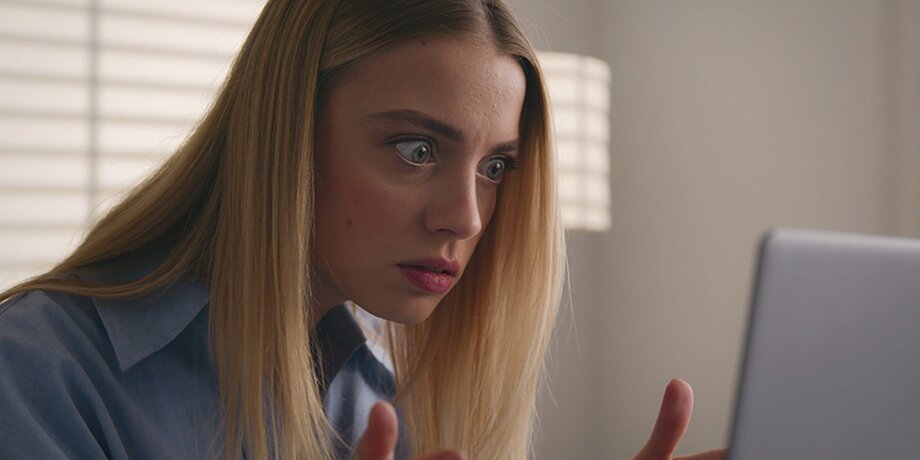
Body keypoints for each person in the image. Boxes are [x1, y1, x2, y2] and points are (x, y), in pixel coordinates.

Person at [0, 1, 725, 459]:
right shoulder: (39, 373)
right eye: (417, 149)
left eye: (495, 167)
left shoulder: (374, 397)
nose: (466, 217)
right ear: (286, 134)